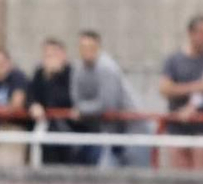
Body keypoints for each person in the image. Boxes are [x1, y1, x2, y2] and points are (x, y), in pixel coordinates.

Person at [158, 15, 203, 169]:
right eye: (202, 33)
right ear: (191, 33)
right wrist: (197, 87)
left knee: (202, 176)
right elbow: (165, 89)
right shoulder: (174, 59)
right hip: (177, 126)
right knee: (180, 178)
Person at [71, 30, 136, 167]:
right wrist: (86, 109)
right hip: (95, 130)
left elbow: (107, 105)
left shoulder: (107, 68)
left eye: (91, 47)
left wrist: (83, 110)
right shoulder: (78, 68)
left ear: (98, 48)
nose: (87, 51)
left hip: (121, 129)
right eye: (83, 47)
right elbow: (75, 99)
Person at [28, 38, 77, 165]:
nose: (48, 59)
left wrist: (53, 78)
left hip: (71, 129)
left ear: (63, 55)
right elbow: (31, 95)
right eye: (46, 55)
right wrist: (34, 105)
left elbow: (66, 100)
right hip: (49, 129)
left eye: (52, 55)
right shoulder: (40, 73)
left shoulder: (73, 73)